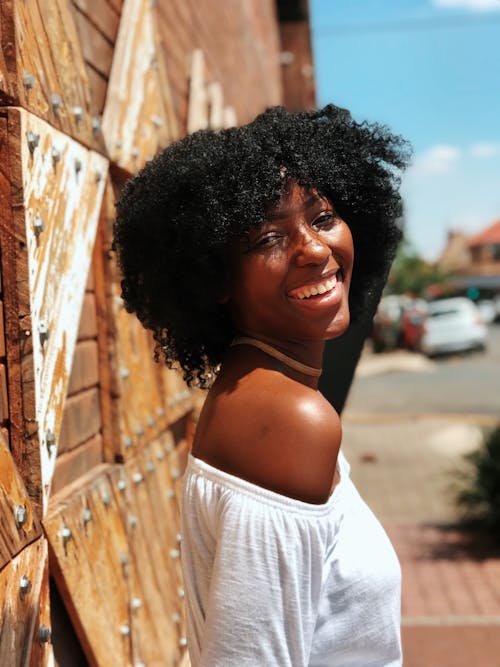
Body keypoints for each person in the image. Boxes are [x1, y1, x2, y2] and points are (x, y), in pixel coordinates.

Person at [114, 105, 410, 667]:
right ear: (216, 277)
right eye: (270, 237)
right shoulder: (287, 419)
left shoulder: (261, 390)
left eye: (322, 217)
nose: (315, 250)